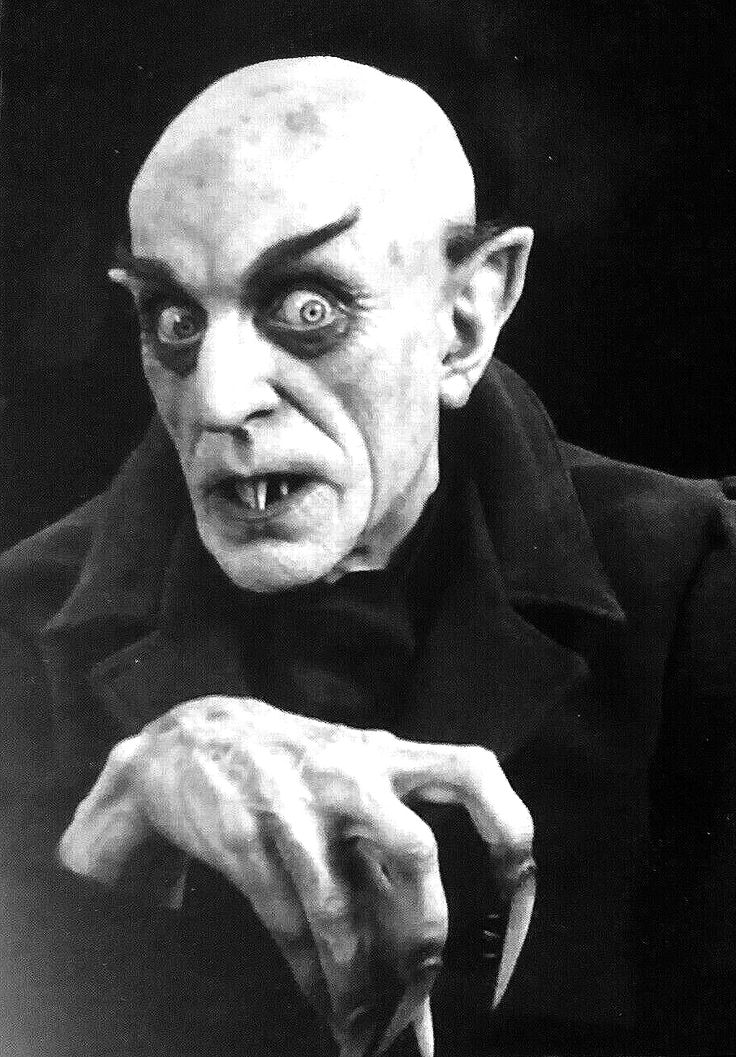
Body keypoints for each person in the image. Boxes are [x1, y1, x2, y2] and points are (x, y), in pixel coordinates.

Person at [0, 56, 734, 1057]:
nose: (217, 399)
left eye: (307, 308)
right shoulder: (17, 627)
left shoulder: (696, 590)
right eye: (173, 319)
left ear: (464, 320)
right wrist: (101, 844)